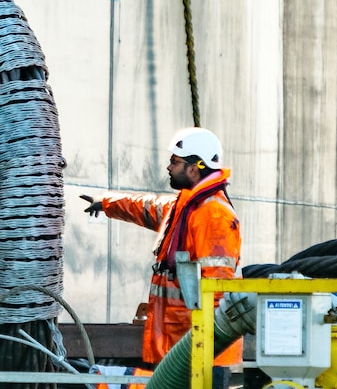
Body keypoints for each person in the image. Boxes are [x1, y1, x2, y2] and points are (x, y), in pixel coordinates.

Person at [80, 127, 241, 387]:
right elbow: (146, 207)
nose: (168, 167)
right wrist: (106, 202)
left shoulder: (213, 217)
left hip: (197, 352)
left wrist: (202, 348)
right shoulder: (187, 206)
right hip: (179, 344)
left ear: (194, 168)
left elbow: (218, 292)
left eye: (174, 162)